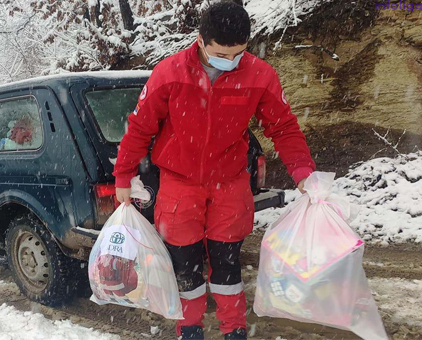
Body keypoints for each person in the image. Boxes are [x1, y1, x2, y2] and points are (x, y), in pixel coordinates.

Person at [112, 2, 316, 339]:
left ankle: (234, 329)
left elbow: (284, 128)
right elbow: (139, 128)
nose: (229, 60)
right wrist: (123, 176)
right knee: (186, 267)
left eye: (237, 53)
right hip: (179, 184)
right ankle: (189, 329)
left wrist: (304, 172)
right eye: (221, 53)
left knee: (226, 263)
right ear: (201, 40)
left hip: (230, 183)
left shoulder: (259, 75)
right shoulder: (170, 72)